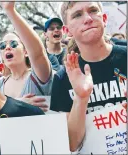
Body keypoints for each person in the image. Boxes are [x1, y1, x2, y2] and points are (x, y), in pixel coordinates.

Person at [50, 1, 127, 151]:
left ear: (104, 18)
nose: (88, 19)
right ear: (67, 30)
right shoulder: (62, 79)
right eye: (77, 15)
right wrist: (81, 98)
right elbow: (71, 144)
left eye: (92, 10)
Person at [0, 2, 53, 112]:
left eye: (13, 44)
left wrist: (10, 11)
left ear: (26, 51)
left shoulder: (38, 77)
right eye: (3, 46)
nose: (7, 47)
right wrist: (19, 104)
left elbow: (38, 54)